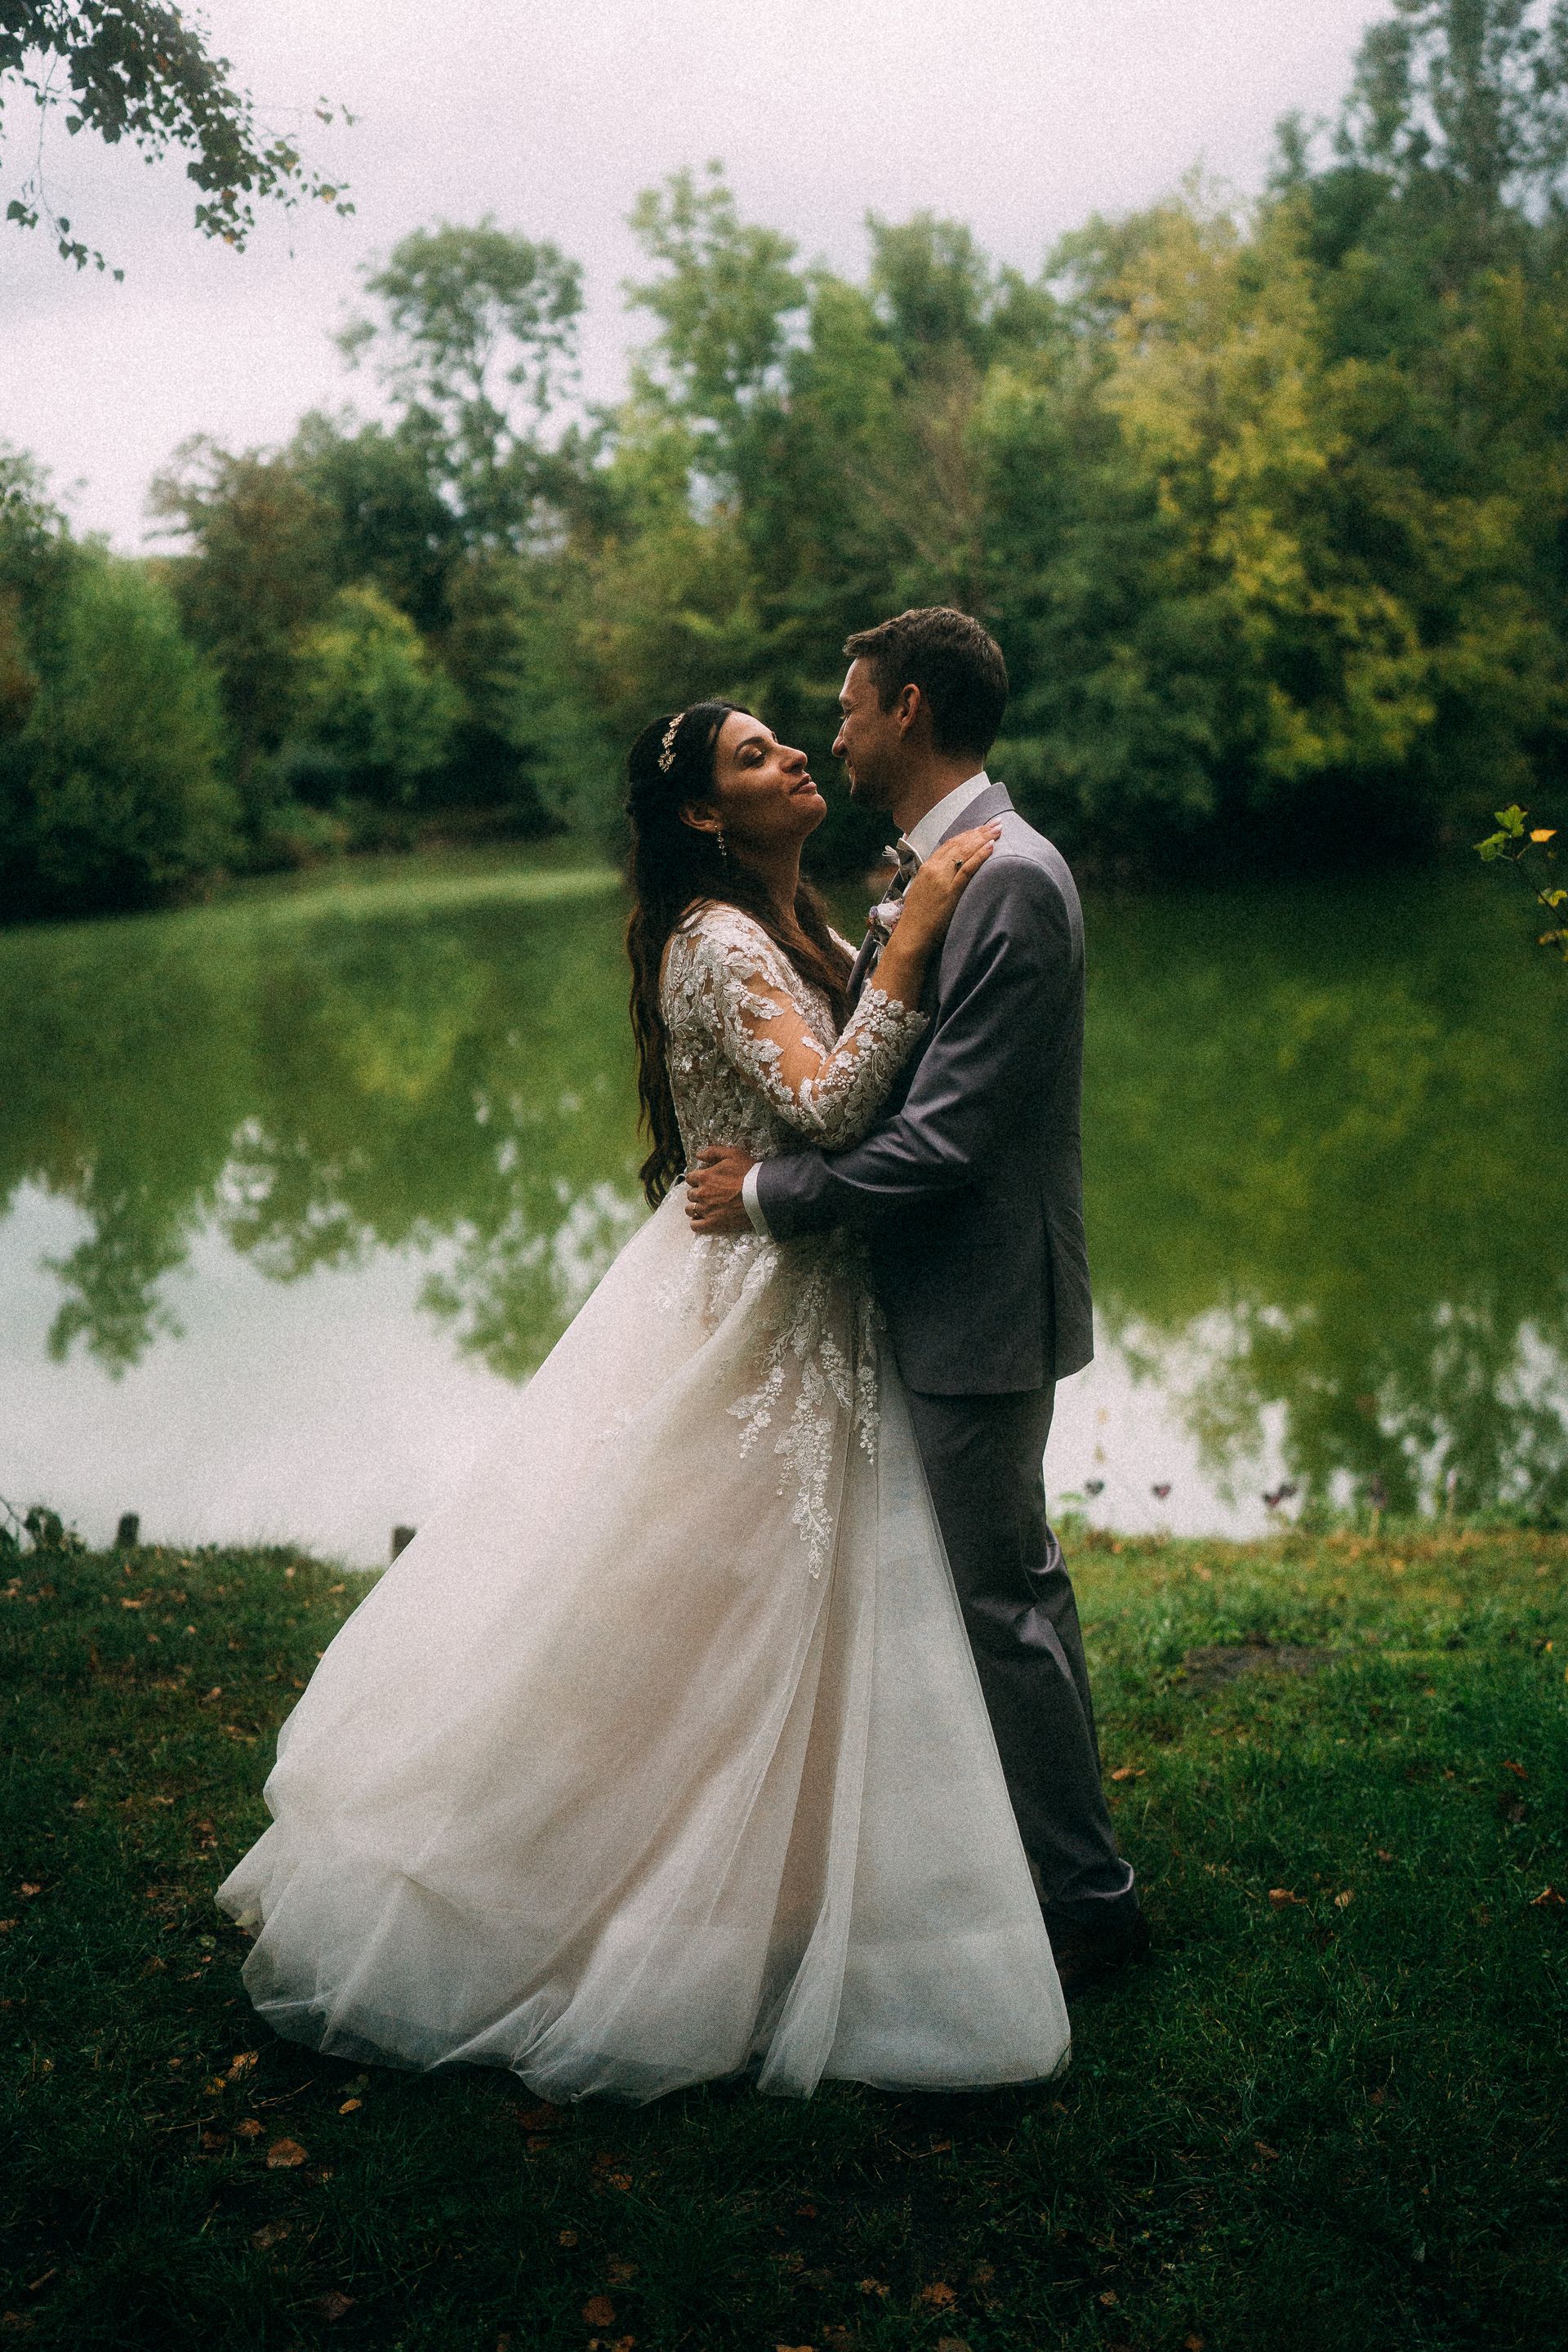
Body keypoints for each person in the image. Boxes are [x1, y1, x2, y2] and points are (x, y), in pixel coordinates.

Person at [217, 696, 1071, 2103]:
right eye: (753, 756)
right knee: (696, 1612)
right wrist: (916, 935)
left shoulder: (803, 929)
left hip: (811, 1297)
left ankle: (806, 1905)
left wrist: (888, 943)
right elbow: (831, 1109)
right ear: (701, 817)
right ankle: (582, 1904)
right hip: (744, 1313)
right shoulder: (720, 941)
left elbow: (879, 1067)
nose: (795, 753)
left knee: (801, 1610)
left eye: (794, 740)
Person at [686, 608, 1148, 1998]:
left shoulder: (1005, 879)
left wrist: (768, 1197)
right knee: (999, 1593)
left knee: (1001, 1602)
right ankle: (1029, 1867)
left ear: (912, 710)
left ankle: (1088, 1903)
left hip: (979, 1299)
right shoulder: (943, 868)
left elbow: (945, 1140)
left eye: (849, 707)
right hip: (937, 1292)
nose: (833, 732)